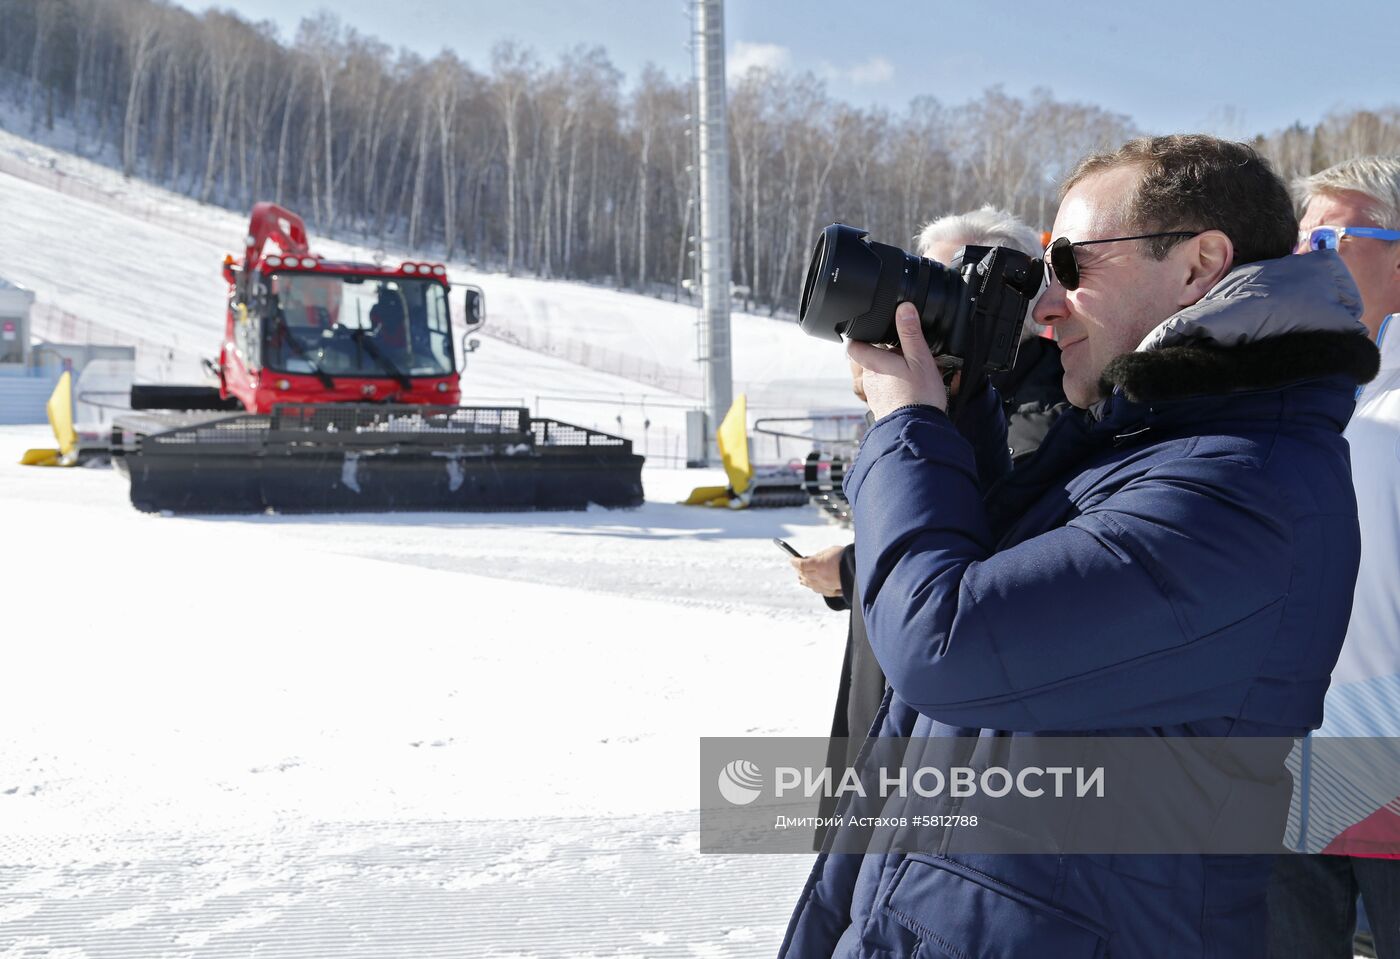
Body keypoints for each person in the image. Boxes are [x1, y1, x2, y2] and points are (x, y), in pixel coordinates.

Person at [779, 135, 1380, 958]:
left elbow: (945, 642)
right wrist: (957, 411)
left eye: (1072, 266)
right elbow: (994, 564)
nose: (1049, 303)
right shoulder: (1151, 440)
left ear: (1200, 263)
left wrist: (907, 426)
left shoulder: (1245, 488)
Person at [790, 208, 1065, 775]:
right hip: (881, 685)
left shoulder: (1054, 410)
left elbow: (996, 560)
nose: (915, 313)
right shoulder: (935, 393)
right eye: (925, 277)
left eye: (954, 286)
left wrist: (849, 569)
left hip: (951, 736)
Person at [1268, 156, 1400, 959]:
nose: (1310, 252)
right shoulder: (1274, 386)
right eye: (1302, 236)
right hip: (1282, 763)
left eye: (1334, 234)